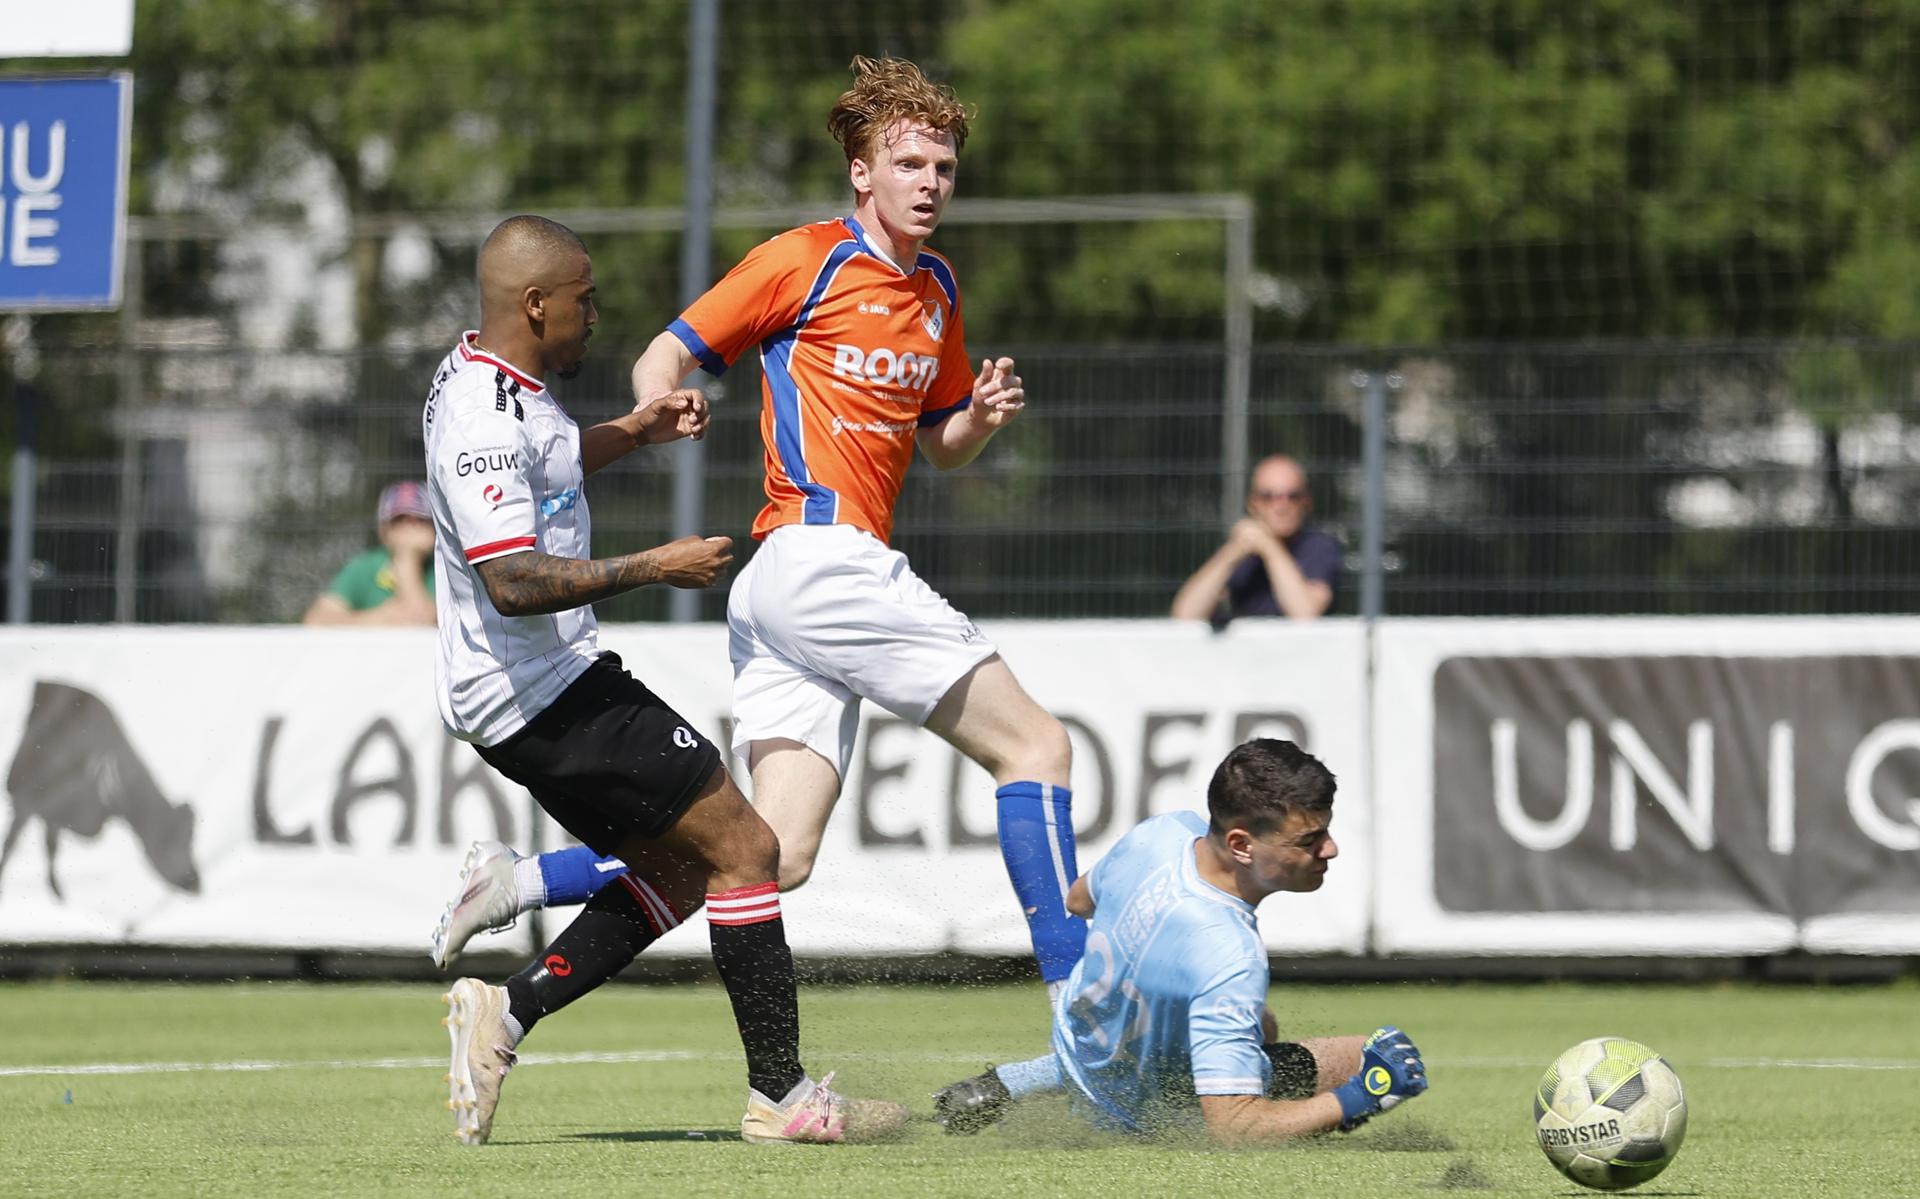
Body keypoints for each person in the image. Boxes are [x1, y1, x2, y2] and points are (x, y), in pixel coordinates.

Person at [426, 213, 903, 1148]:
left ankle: (507, 1011)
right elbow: (511, 581)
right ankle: (782, 1095)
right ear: (535, 303)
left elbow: (549, 465)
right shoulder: (481, 421)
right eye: (584, 299)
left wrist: (632, 433)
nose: (596, 314)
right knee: (749, 848)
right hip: (542, 692)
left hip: (540, 685)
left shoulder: (491, 374)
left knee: (688, 867)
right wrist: (657, 563)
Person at [627, 54, 1086, 1001]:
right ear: (862, 172)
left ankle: (527, 882)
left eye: (944, 169)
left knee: (772, 856)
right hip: (819, 556)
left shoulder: (939, 290)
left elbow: (941, 445)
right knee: (1037, 748)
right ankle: (1084, 1008)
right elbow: (663, 353)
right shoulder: (804, 258)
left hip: (794, 584)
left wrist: (982, 421)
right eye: (909, 164)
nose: (929, 185)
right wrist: (659, 406)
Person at [928, 738, 1430, 1143]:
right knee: (1369, 1055)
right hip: (1143, 1108)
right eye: (1308, 840)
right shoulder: (1228, 954)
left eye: (1325, 832)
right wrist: (1362, 1096)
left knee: (1261, 1023)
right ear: (1241, 845)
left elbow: (1079, 900)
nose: (1331, 849)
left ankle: (1013, 1083)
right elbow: (1234, 1128)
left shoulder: (1162, 833)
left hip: (1079, 1042)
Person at [1170, 454, 1343, 624]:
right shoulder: (1241, 550)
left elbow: (1305, 614)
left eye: (1293, 496)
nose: (1281, 506)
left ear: (1307, 502)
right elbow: (1185, 615)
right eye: (1268, 497)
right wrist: (1231, 553)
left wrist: (1269, 547)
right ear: (1253, 504)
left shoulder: (1320, 547)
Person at [301, 480, 438, 626]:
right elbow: (316, 620)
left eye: (419, 520)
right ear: (383, 530)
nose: (410, 528)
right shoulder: (365, 566)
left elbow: (422, 621)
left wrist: (407, 560)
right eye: (399, 520)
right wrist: (382, 618)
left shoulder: (445, 568)